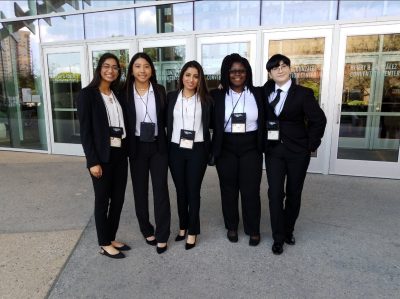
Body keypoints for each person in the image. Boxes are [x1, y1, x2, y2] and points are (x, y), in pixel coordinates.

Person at [263, 54, 327, 255]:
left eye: (283, 66)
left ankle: (288, 230)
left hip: (297, 152)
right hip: (274, 151)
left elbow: (319, 120)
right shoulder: (264, 91)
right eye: (275, 68)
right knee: (275, 194)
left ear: (289, 69)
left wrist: (311, 145)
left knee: (293, 193)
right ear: (270, 73)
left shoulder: (303, 93)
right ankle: (278, 237)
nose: (280, 70)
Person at [77, 53, 129, 259]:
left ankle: (111, 236)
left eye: (115, 67)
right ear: (99, 69)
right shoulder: (87, 95)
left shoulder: (118, 95)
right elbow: (85, 132)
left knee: (118, 200)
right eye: (107, 66)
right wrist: (92, 161)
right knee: (102, 200)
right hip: (101, 156)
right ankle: (103, 242)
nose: (111, 70)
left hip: (120, 153)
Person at [211, 53, 264, 246]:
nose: (237, 74)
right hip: (226, 146)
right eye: (232, 71)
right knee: (228, 189)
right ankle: (232, 226)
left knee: (251, 190)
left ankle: (253, 229)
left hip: (251, 146)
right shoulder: (216, 95)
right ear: (226, 73)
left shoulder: (258, 93)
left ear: (247, 73)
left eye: (241, 70)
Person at [122, 52, 170, 254]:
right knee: (140, 191)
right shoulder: (123, 92)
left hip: (158, 146)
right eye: (138, 66)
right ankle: (146, 229)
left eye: (147, 66)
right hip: (137, 146)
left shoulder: (159, 90)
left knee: (161, 190)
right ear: (132, 70)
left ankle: (162, 234)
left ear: (152, 70)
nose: (143, 70)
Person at [166, 61, 212, 250]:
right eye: (188, 75)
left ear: (200, 79)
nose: (191, 79)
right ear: (182, 77)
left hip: (197, 149)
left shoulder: (207, 100)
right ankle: (183, 226)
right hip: (175, 149)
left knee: (193, 191)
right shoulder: (170, 97)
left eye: (195, 76)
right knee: (180, 190)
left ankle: (193, 231)